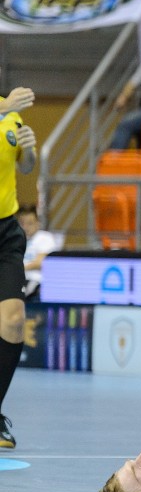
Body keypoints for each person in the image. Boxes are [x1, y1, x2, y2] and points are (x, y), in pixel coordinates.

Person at [0, 79, 38, 448]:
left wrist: (29, 152)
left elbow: (25, 168)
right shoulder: (6, 108)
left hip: (6, 232)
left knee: (12, 323)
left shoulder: (10, 116)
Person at [16, 205, 59, 303]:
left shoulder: (44, 238)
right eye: (22, 223)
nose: (25, 227)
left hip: (35, 281)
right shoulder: (14, 240)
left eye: (30, 223)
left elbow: (40, 262)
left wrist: (15, 268)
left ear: (37, 223)